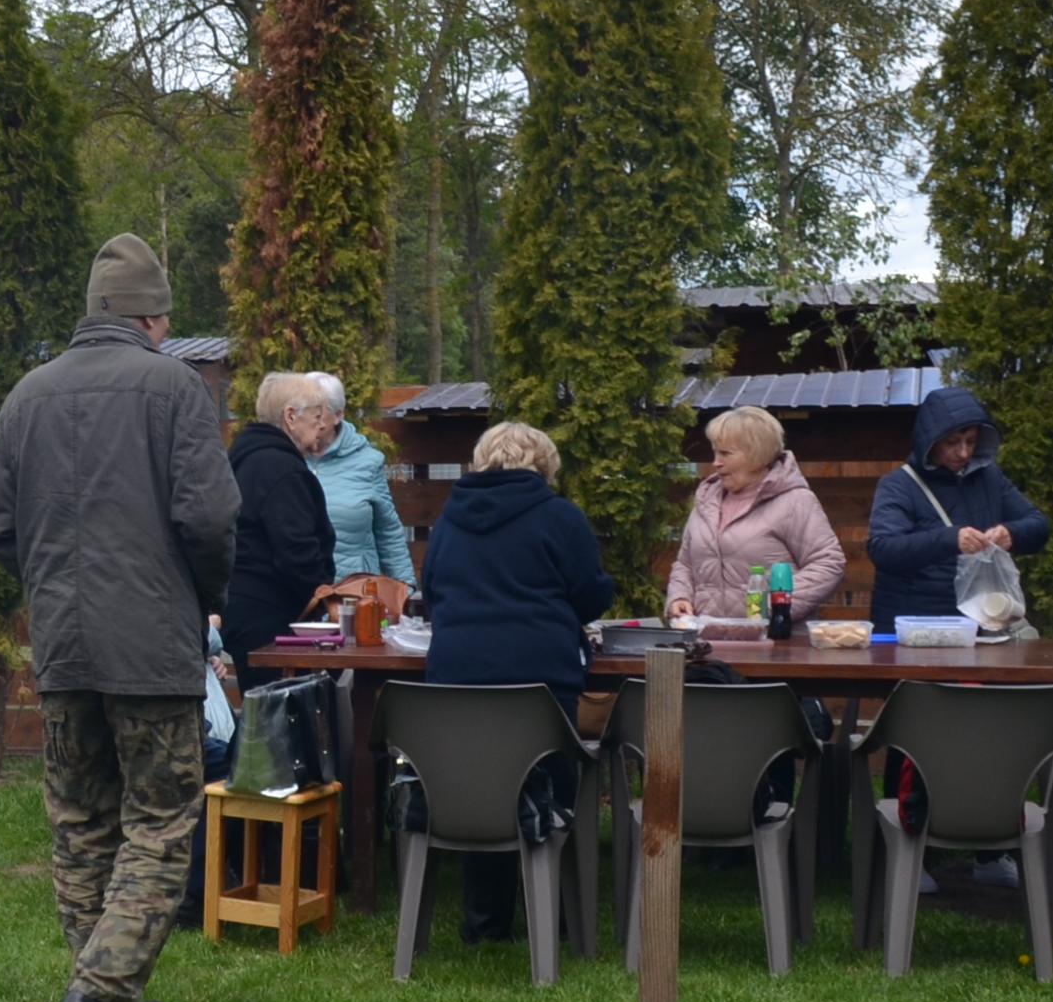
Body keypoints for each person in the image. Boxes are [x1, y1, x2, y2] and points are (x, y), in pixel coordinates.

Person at [0, 232, 239, 1002]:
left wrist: (55, 588)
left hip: (63, 645)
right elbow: (208, 518)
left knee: (82, 819)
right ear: (154, 316)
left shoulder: (27, 395)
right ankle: (100, 991)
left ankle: (102, 981)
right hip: (152, 646)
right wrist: (202, 599)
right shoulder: (175, 388)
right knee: (161, 821)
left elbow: (1, 529)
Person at [415, 420, 615, 939]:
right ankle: (560, 916)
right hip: (542, 684)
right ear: (544, 465)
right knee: (554, 782)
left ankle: (484, 922)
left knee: (481, 791)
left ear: (482, 460)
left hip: (457, 684)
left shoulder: (449, 520)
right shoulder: (560, 518)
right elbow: (592, 596)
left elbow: (431, 596)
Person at [867, 387, 1050, 625]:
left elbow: (1038, 525)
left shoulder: (989, 477)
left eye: (971, 441)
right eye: (952, 442)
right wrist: (951, 539)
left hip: (980, 621)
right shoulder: (899, 485)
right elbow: (883, 549)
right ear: (930, 442)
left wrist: (1011, 534)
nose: (963, 452)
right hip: (914, 623)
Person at [663, 405, 846, 624]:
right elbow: (685, 563)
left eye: (726, 453)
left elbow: (828, 563)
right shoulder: (705, 501)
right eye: (715, 452)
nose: (716, 462)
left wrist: (774, 607)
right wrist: (679, 596)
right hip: (709, 642)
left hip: (777, 643)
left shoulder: (795, 501)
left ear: (756, 455)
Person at [219, 370, 341, 674]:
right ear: (290, 416)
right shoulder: (282, 469)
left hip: (237, 607)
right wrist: (324, 597)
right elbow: (296, 550)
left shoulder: (244, 457)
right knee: (279, 713)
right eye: (315, 417)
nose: (322, 425)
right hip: (269, 612)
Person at [304, 373, 417, 603]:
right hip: (298, 595)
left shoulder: (367, 462)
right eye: (303, 409)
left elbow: (387, 529)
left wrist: (405, 590)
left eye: (318, 410)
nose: (309, 418)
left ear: (338, 415)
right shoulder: (283, 460)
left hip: (356, 596)